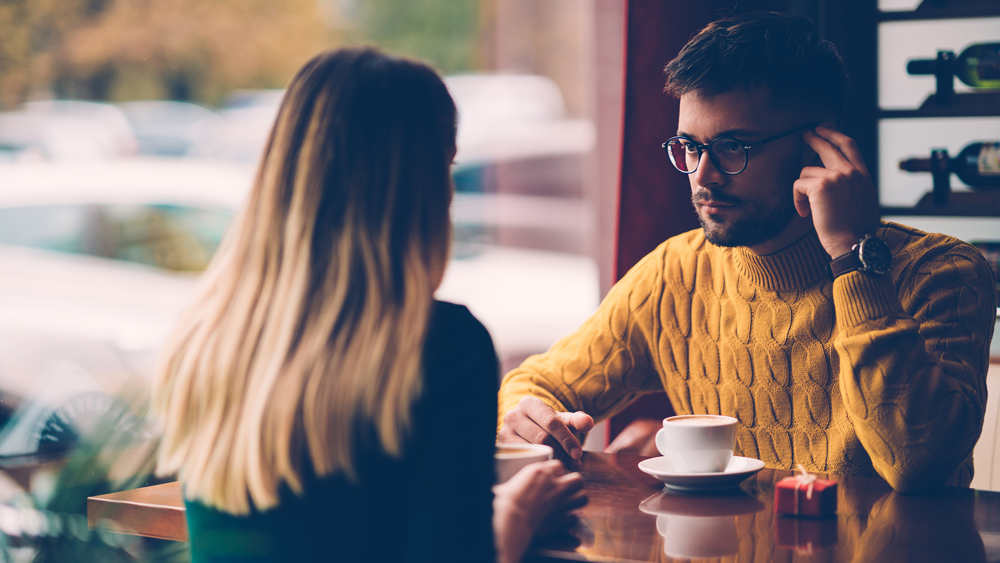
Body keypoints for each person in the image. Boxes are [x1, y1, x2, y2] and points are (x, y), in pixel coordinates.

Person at [497, 11, 997, 491]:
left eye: (734, 147)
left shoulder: (944, 274)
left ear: (817, 148)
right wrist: (531, 419)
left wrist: (853, 256)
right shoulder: (678, 272)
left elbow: (916, 466)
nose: (702, 174)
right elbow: (536, 383)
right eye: (690, 146)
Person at [152, 47, 584, 563]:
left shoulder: (206, 336)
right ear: (419, 189)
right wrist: (516, 516)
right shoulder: (445, 347)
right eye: (445, 166)